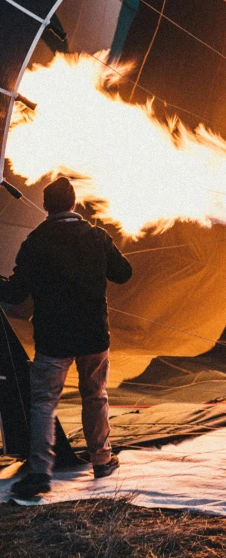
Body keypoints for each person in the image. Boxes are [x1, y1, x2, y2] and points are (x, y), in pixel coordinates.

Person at [0, 176, 132, 498]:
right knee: (95, 395)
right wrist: (103, 251)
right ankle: (102, 460)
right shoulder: (97, 237)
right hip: (93, 335)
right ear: (74, 203)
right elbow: (124, 273)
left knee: (43, 404)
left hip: (53, 338)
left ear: (45, 206)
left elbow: (15, 294)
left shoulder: (35, 242)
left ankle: (40, 472)